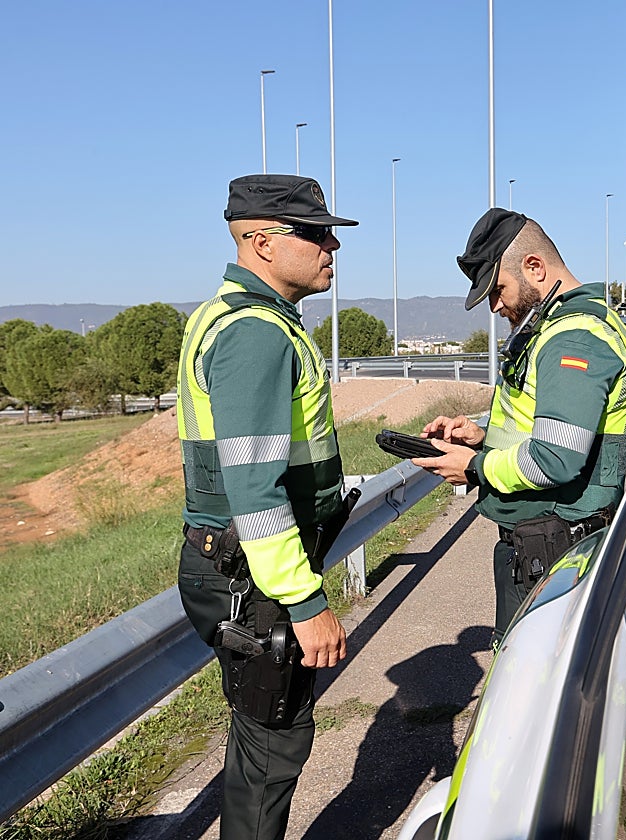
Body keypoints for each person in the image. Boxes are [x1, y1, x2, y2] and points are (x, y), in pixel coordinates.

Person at [175, 173, 357, 840]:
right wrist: (306, 605)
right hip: (254, 575)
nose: (331, 245)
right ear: (259, 241)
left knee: (259, 743)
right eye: (315, 233)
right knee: (272, 750)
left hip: (236, 565)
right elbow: (255, 491)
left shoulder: (230, 316)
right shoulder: (256, 333)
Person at [413, 208, 626, 647]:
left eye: (498, 290)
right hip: (544, 546)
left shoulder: (574, 338)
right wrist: (480, 437)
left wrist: (476, 468)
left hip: (555, 551)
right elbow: (546, 428)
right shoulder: (557, 328)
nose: (496, 306)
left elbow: (556, 458)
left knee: (529, 689)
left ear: (534, 267)